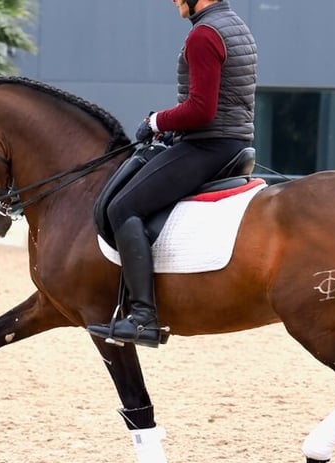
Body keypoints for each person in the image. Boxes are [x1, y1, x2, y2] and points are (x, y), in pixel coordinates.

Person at [87, 0, 257, 347]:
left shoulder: (204, 34)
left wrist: (156, 121)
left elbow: (201, 110)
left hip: (208, 146)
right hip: (229, 140)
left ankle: (142, 317)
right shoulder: (233, 24)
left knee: (123, 208)